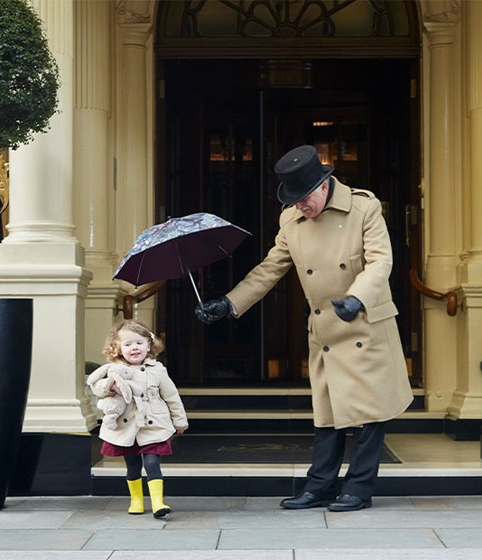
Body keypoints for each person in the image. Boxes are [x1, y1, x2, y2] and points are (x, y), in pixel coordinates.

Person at [195, 145, 413, 512]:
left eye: (304, 198)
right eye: (292, 200)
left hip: (363, 324)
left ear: (324, 185)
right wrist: (230, 303)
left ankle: (358, 488)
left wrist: (357, 297)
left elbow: (381, 262)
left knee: (369, 413)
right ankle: (321, 486)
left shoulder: (364, 208)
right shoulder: (290, 221)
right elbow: (270, 268)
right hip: (326, 329)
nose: (299, 206)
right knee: (326, 413)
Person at [87, 319, 188, 518]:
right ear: (117, 348)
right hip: (127, 427)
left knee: (151, 463)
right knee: (133, 465)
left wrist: (179, 420)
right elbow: (96, 387)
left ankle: (158, 502)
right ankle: (136, 500)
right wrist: (111, 387)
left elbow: (171, 395)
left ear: (149, 345)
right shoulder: (113, 369)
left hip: (153, 424)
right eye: (128, 344)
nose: (134, 348)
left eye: (139, 343)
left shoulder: (157, 369)